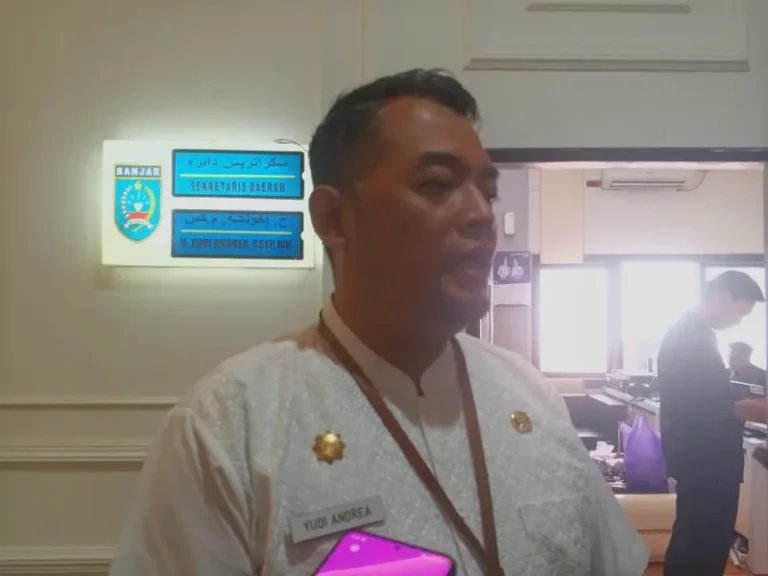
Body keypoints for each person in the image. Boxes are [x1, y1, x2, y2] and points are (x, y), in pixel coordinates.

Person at [109, 69, 647, 576]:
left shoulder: (532, 397)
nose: (481, 215)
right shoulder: (231, 425)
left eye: (487, 191)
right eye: (437, 185)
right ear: (334, 219)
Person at [659, 270, 765, 576]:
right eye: (741, 312)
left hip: (700, 457)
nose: (739, 321)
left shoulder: (693, 333)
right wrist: (753, 409)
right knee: (703, 542)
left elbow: (705, 393)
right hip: (706, 458)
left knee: (694, 537)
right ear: (723, 297)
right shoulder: (691, 338)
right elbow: (701, 406)